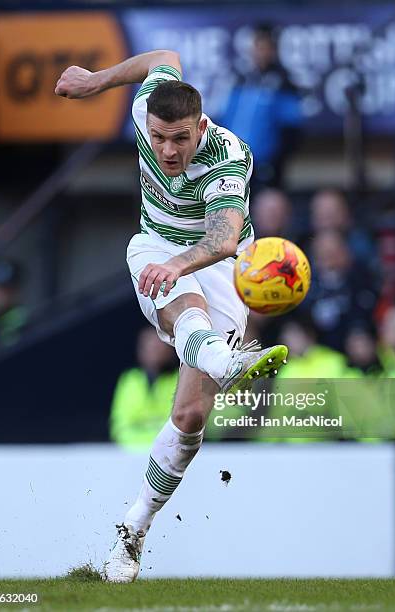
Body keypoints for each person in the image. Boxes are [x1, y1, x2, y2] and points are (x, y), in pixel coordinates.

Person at [55, 49, 288, 582]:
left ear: (200, 127)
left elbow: (224, 238)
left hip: (219, 266)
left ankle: (131, 533)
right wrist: (96, 80)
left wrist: (180, 262)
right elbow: (163, 57)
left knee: (188, 419)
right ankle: (223, 361)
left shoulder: (230, 154)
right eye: (159, 138)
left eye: (180, 138)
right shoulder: (146, 108)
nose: (166, 149)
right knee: (166, 280)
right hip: (155, 247)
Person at [220, 25, 302, 188]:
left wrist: (275, 160)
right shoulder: (241, 80)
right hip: (235, 163)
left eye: (266, 47)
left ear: (274, 50)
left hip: (266, 165)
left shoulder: (285, 84)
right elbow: (227, 119)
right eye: (258, 46)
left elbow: (292, 129)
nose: (261, 52)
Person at [110, 327, 178, 449]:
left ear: (169, 349)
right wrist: (145, 446)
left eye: (158, 346)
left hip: (172, 454)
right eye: (148, 347)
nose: (153, 351)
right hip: (131, 455)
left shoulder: (181, 380)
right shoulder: (130, 379)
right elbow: (120, 426)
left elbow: (181, 426)